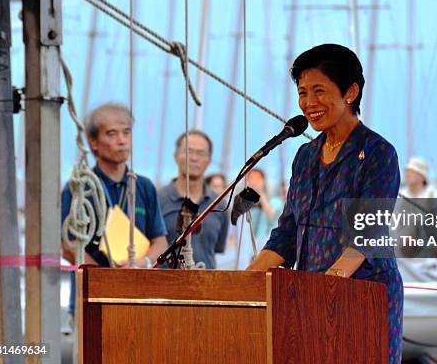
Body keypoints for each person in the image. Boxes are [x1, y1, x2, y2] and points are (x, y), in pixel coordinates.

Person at [246, 44, 403, 363]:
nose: (309, 103)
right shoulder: (304, 156)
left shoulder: (377, 153)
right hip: (310, 298)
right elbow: (287, 234)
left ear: (350, 92)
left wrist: (323, 288)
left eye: (319, 91)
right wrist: (243, 282)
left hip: (363, 295)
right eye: (303, 93)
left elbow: (366, 234)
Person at [61, 103, 168, 313]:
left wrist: (142, 263)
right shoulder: (79, 187)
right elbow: (68, 245)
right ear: (93, 142)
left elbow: (160, 242)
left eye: (126, 133)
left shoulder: (143, 186)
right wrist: (104, 277)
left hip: (138, 298)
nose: (122, 140)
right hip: (90, 299)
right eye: (112, 134)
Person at [158, 130, 229, 269]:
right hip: (164, 287)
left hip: (206, 287)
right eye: (188, 151)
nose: (194, 158)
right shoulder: (158, 199)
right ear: (176, 156)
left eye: (201, 153)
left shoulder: (219, 204)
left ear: (209, 160)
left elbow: (216, 249)